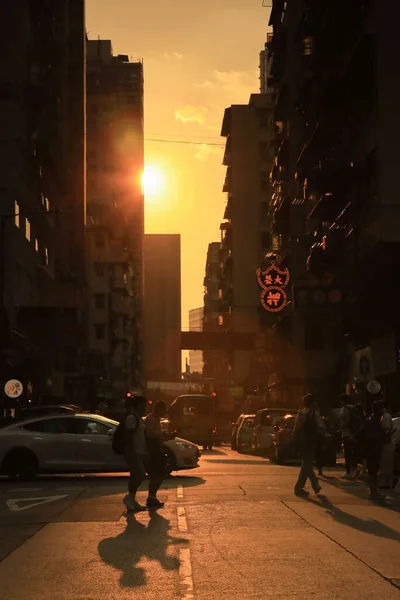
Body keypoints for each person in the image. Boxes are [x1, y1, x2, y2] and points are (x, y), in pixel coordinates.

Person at [293, 394, 325, 496]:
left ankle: (299, 487)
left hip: (302, 442)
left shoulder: (300, 414)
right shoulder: (313, 414)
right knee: (307, 464)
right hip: (311, 441)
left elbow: (296, 429)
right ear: (313, 403)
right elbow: (321, 427)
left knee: (306, 464)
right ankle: (314, 485)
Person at [123, 395, 149, 512]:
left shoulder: (138, 418)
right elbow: (129, 436)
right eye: (143, 405)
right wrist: (131, 451)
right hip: (134, 451)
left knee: (136, 475)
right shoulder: (132, 418)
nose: (145, 407)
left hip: (139, 451)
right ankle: (129, 498)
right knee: (140, 474)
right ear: (138, 406)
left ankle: (132, 499)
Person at [357, 400, 386, 501]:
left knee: (373, 472)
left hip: (372, 450)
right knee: (373, 473)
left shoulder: (373, 421)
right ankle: (373, 493)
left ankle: (374, 492)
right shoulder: (373, 422)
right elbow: (371, 437)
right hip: (372, 451)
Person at [144, 401, 168, 508]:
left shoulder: (156, 419)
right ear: (158, 409)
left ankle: (152, 497)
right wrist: (161, 436)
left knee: (159, 475)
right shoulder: (151, 419)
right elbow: (150, 435)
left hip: (157, 449)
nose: (165, 412)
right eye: (164, 409)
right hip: (154, 450)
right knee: (157, 475)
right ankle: (151, 498)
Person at [339, 394, 361, 479]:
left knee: (347, 453)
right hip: (354, 434)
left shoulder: (344, 410)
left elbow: (345, 422)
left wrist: (340, 426)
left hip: (346, 434)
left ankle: (349, 471)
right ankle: (355, 467)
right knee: (352, 452)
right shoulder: (353, 409)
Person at [378, 405, 395, 491]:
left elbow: (386, 430)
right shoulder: (386, 416)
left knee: (385, 464)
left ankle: (384, 483)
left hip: (386, 444)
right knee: (387, 464)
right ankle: (386, 483)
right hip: (388, 444)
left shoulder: (385, 416)